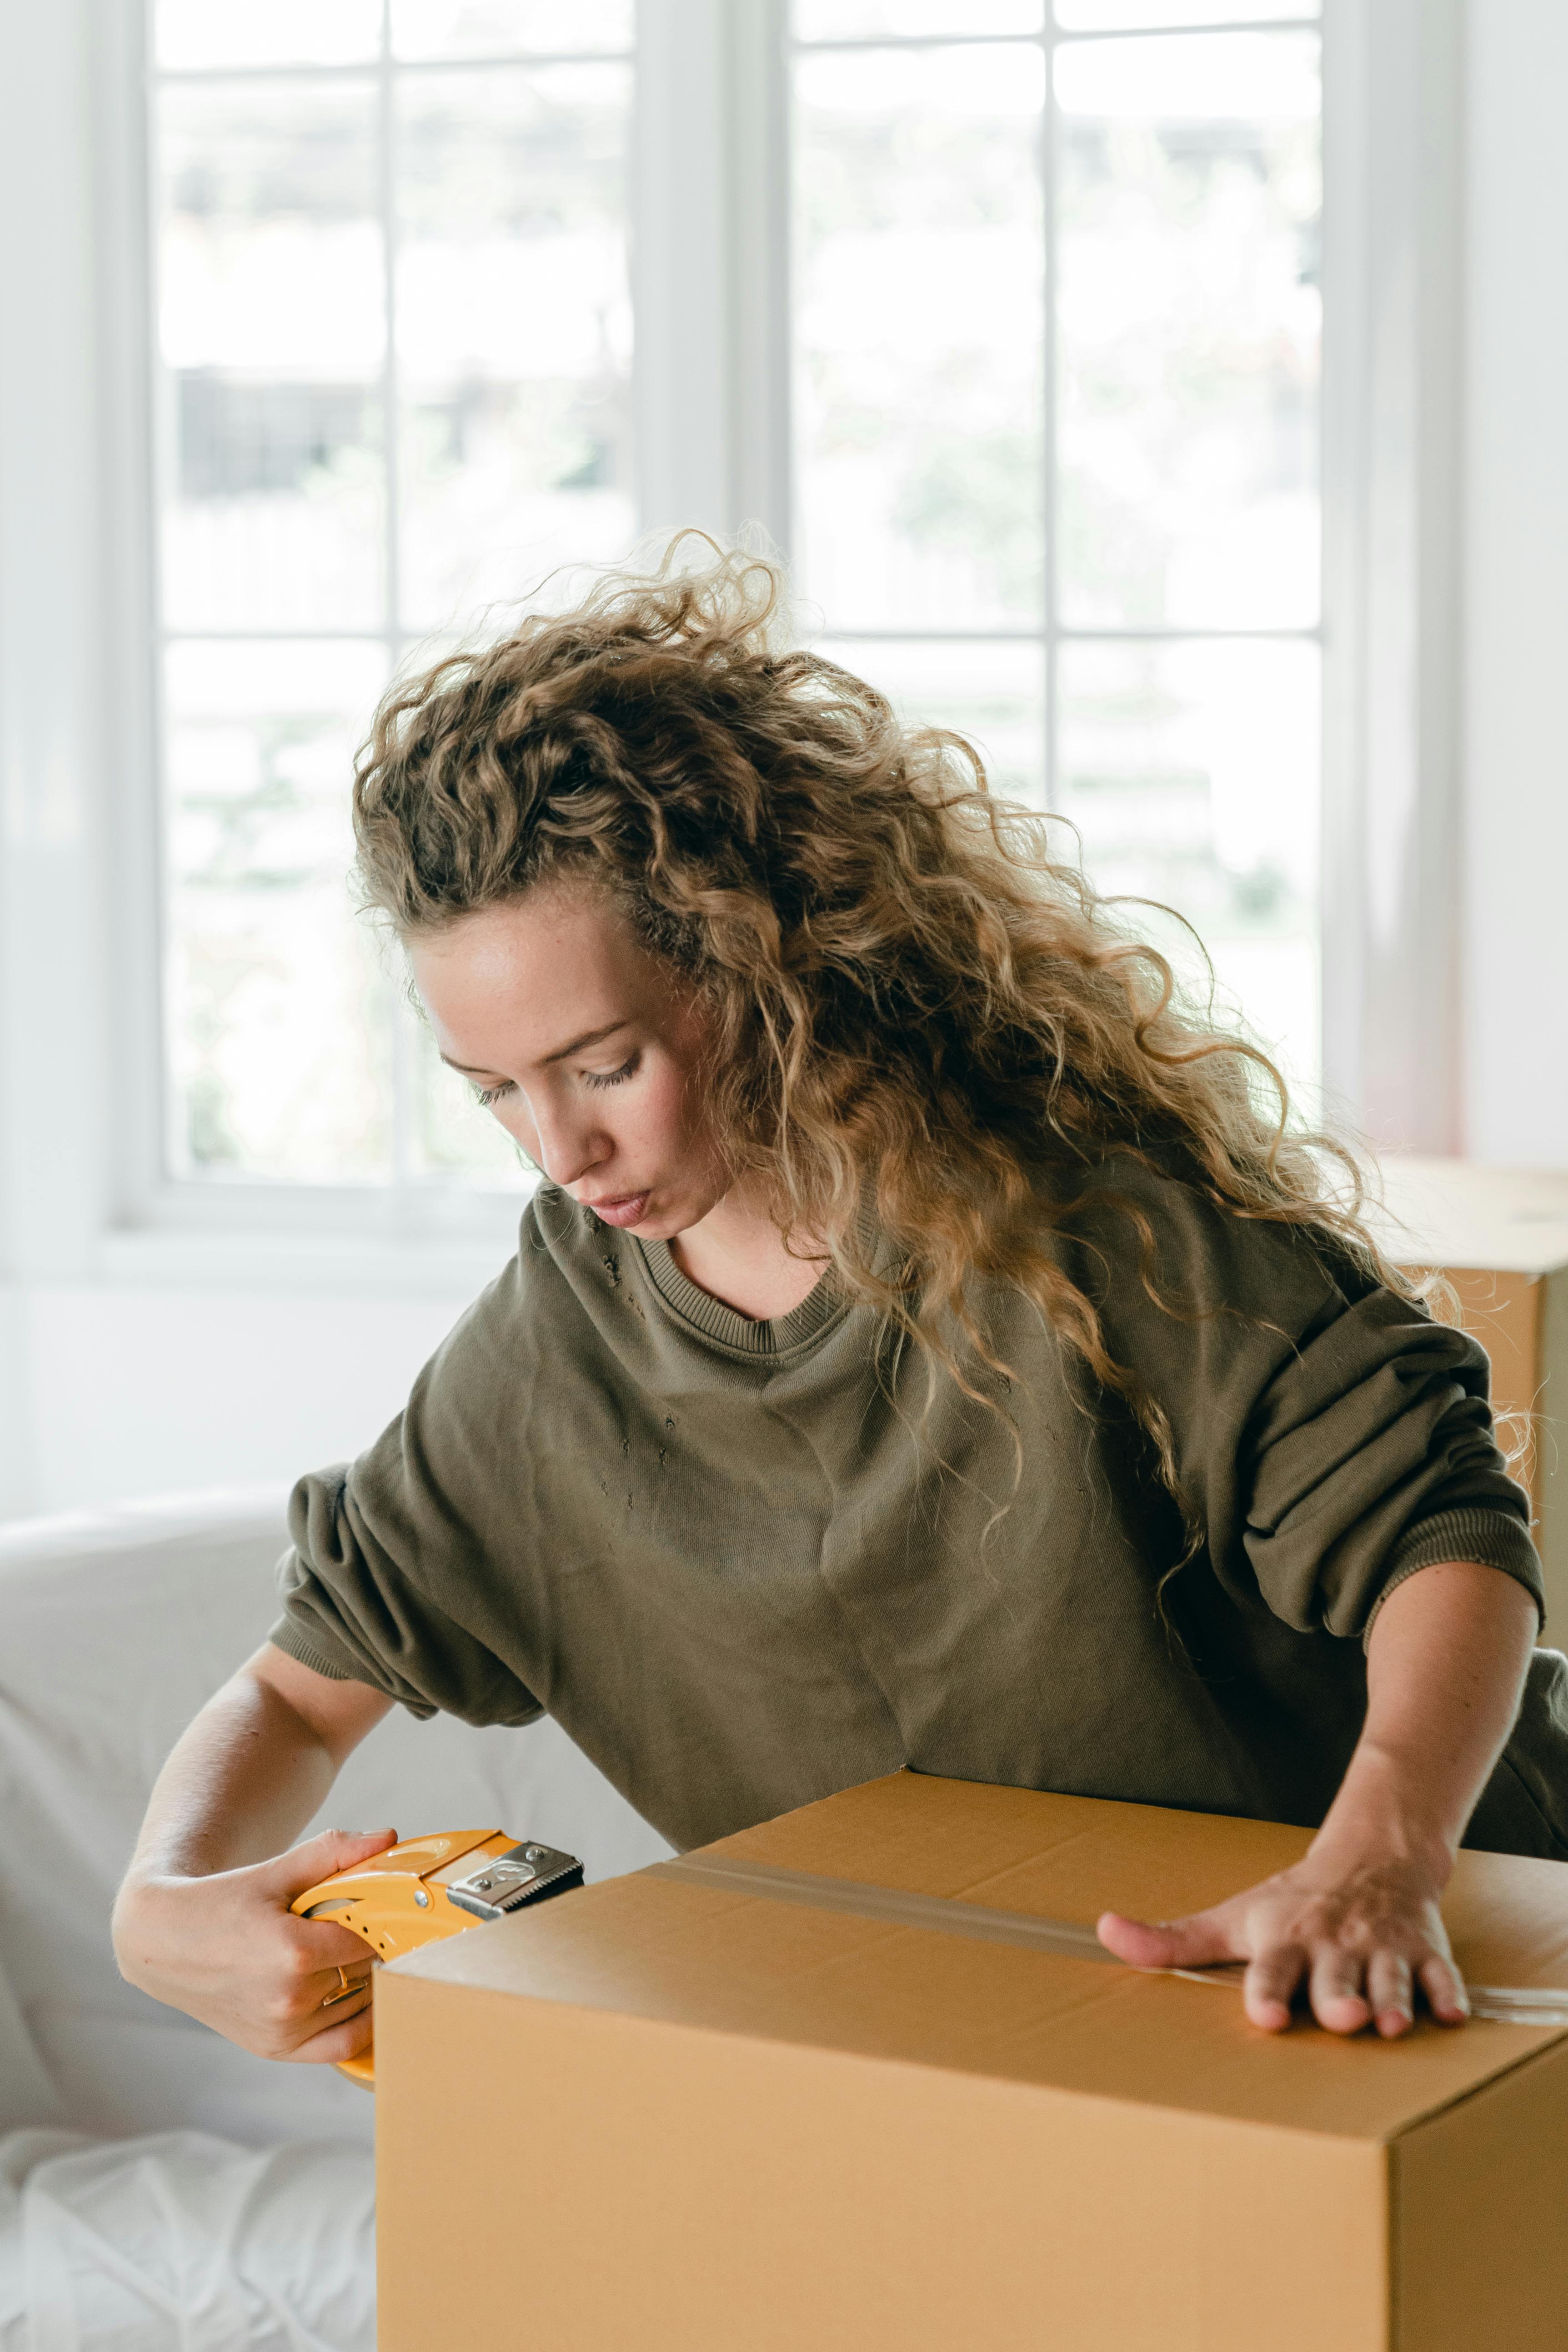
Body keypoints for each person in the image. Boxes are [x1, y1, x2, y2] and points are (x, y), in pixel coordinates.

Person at [113, 544, 1566, 2073]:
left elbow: (1442, 1543)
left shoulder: (1088, 1227)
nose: (559, 1152)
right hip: (1043, 2057)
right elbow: (293, 1688)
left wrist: (1377, 1862)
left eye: (604, 1064)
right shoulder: (552, 1352)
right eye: (496, 1091)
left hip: (1436, 1957)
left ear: (756, 961)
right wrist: (161, 1906)